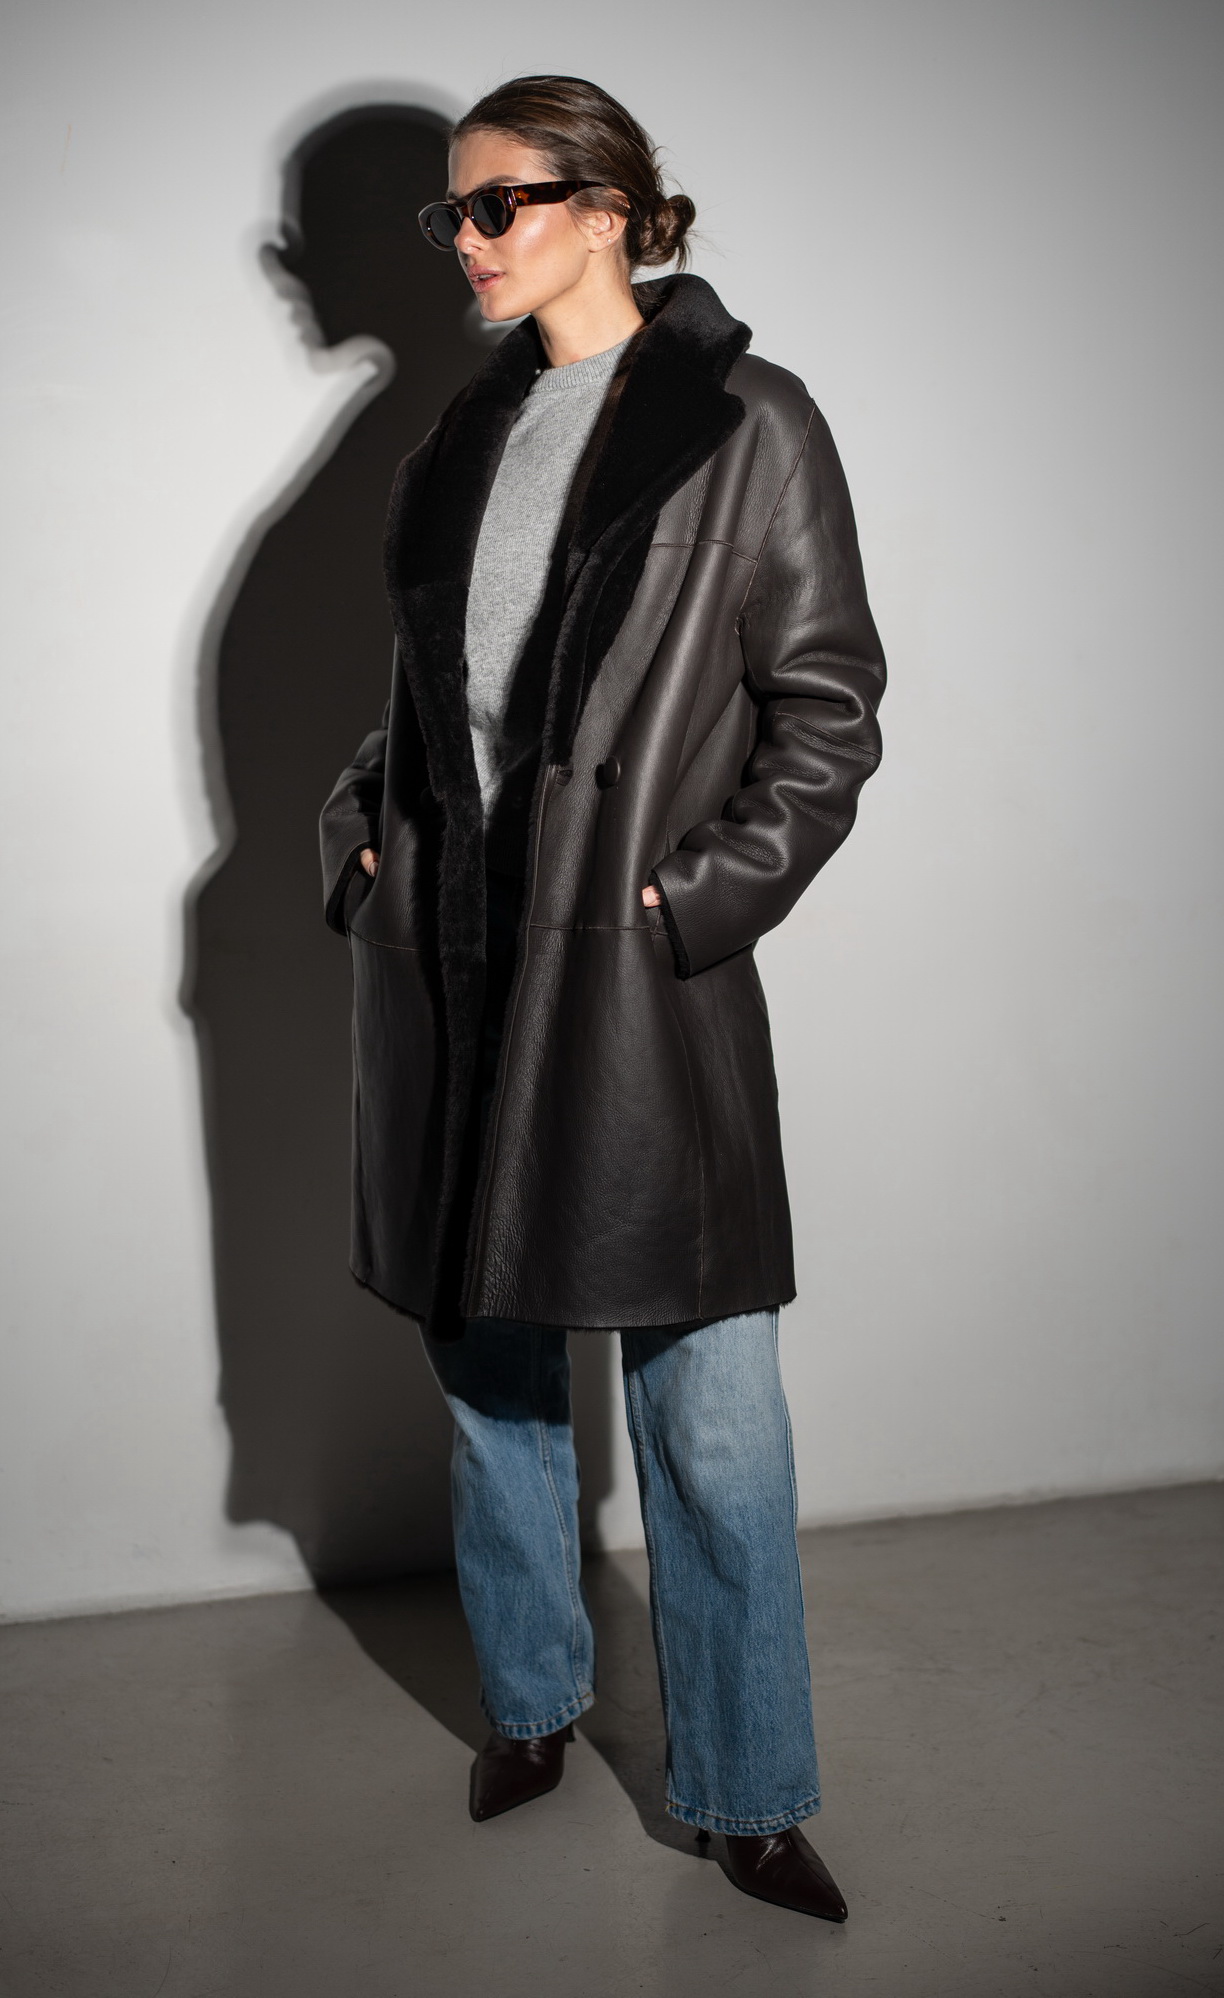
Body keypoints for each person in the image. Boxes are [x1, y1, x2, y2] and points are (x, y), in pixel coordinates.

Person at [319, 74, 885, 1922]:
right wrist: (364, 848)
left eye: (499, 203)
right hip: (454, 967)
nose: (465, 240)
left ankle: (749, 1787)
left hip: (633, 979)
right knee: (493, 1379)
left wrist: (683, 902)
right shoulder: (453, 445)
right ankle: (534, 1699)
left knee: (710, 1402)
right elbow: (421, 716)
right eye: (451, 213)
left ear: (613, 206)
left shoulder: (749, 423)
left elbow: (827, 711)